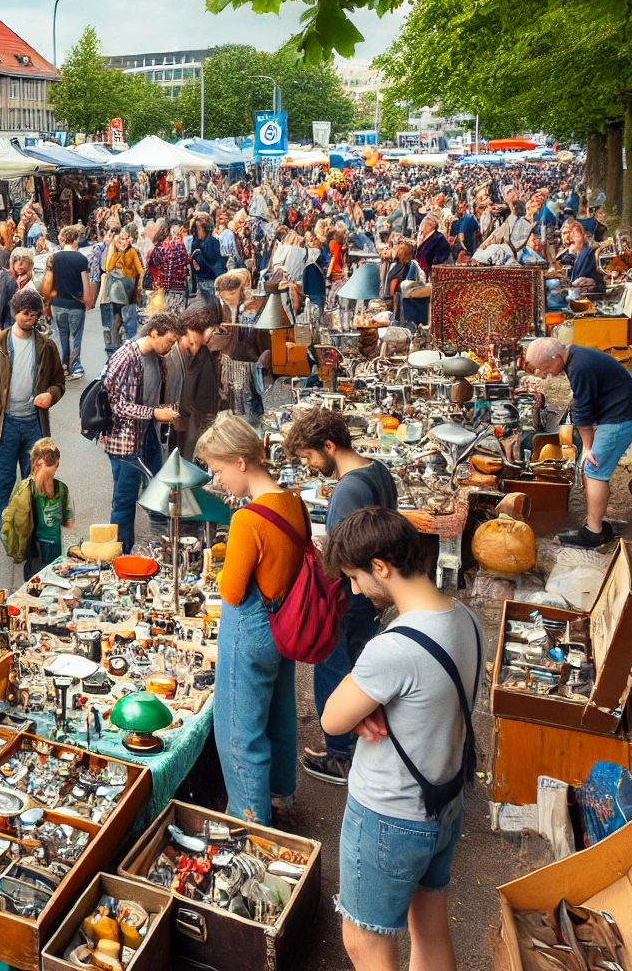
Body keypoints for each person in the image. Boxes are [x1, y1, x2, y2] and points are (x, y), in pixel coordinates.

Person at [321, 507, 480, 971]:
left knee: (364, 941)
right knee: (429, 927)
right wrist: (367, 707)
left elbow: (332, 718)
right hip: (443, 805)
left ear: (382, 569)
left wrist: (359, 708)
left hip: (389, 817)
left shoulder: (391, 647)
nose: (354, 589)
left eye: (355, 577)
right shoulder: (465, 618)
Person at [283, 408, 400, 785]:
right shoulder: (376, 469)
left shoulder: (349, 488)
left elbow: (348, 553)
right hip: (372, 591)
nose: (310, 464)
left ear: (329, 446)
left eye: (309, 456)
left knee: (334, 666)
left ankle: (338, 754)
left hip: (351, 594)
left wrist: (321, 551)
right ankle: (358, 740)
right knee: (360, 663)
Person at [198, 414, 303, 826]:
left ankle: (249, 819)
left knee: (237, 732)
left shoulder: (248, 518)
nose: (217, 479)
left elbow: (232, 591)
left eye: (218, 470)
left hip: (251, 630)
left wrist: (224, 569)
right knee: (278, 715)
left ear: (241, 462)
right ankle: (280, 795)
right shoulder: (293, 502)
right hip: (283, 624)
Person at [523, 338, 632, 548]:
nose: (547, 373)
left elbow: (583, 414)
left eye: (545, 367)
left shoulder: (580, 366)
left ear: (554, 357)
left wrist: (588, 449)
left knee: (594, 469)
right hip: (620, 410)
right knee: (592, 468)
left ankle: (593, 533)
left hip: (623, 416)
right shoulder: (576, 356)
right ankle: (595, 523)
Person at [0, 287, 65, 517]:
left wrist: (50, 395)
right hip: (4, 425)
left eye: (35, 314)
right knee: (5, 481)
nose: (30, 318)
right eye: (25, 313)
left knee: (35, 482)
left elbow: (59, 382)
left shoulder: (46, 346)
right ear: (14, 313)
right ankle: (7, 534)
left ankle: (28, 536)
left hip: (34, 424)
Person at [98, 313, 181, 552]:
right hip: (125, 441)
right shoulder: (125, 358)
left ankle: (158, 537)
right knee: (124, 499)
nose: (171, 346)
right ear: (154, 333)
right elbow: (115, 405)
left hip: (147, 434)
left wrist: (159, 409)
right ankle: (121, 553)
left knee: (158, 485)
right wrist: (154, 413)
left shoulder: (156, 356)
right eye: (169, 340)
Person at [0, 438, 74, 579]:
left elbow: (66, 511)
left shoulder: (61, 488)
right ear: (38, 464)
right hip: (37, 547)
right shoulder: (27, 490)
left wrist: (67, 518)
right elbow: (13, 519)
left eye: (56, 465)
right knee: (36, 580)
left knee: (56, 575)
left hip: (56, 544)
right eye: (51, 465)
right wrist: (18, 548)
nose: (54, 469)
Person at [172, 303, 224, 459]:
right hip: (196, 422)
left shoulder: (204, 353)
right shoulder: (197, 354)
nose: (189, 343)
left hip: (198, 421)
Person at [44, 224, 93, 380]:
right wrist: (87, 301)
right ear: (76, 239)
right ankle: (75, 366)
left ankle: (64, 366)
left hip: (57, 303)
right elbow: (86, 283)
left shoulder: (53, 258)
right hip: (75, 304)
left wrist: (46, 301)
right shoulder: (81, 259)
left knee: (62, 335)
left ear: (62, 239)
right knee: (75, 337)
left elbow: (48, 281)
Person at [98, 227, 143, 352]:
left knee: (117, 321)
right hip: (120, 293)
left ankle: (118, 348)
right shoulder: (112, 251)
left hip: (118, 293)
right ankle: (125, 348)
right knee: (124, 321)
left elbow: (103, 268)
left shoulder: (113, 251)